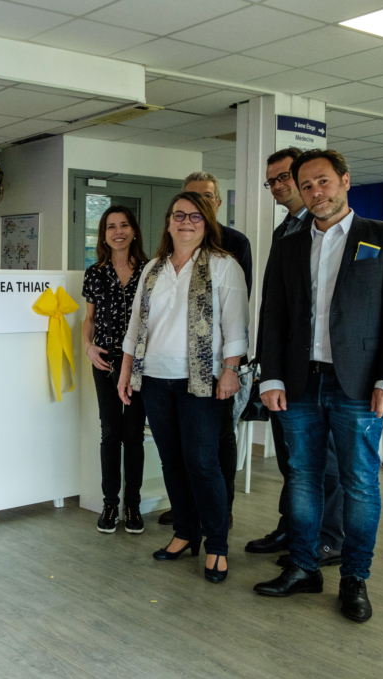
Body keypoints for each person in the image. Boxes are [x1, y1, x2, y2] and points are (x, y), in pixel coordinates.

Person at [254, 149, 383, 623]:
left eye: (322, 181)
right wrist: (270, 375)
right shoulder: (289, 244)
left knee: (359, 483)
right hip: (299, 383)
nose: (315, 192)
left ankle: (354, 577)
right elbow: (273, 315)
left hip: (359, 385)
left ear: (344, 180)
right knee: (302, 477)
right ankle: (304, 567)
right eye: (306, 185)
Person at [117, 192, 249, 583]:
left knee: (203, 463)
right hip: (154, 380)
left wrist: (230, 371)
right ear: (168, 222)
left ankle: (217, 545)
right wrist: (125, 373)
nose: (186, 222)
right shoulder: (153, 268)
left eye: (195, 216)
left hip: (201, 381)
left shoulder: (224, 265)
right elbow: (136, 326)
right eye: (178, 215)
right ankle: (185, 532)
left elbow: (236, 327)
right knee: (172, 461)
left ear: (207, 222)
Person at [247, 148, 344, 568]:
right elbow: (275, 303)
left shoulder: (325, 227)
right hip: (287, 366)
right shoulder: (286, 229)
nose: (279, 185)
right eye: (272, 181)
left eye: (285, 176)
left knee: (325, 461)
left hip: (323, 368)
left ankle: (328, 538)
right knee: (294, 458)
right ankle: (293, 527)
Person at [156, 172, 252, 527]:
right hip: (167, 372)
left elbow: (234, 312)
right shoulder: (163, 260)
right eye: (186, 204)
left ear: (217, 203)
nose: (191, 215)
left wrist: (230, 367)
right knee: (181, 451)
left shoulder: (232, 248)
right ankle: (188, 513)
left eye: (205, 199)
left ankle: (218, 513)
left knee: (213, 447)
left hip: (213, 367)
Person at [82, 206, 148, 535]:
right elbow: (89, 319)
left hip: (139, 363)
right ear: (103, 235)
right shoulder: (95, 273)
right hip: (106, 360)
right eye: (111, 226)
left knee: (133, 435)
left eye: (124, 225)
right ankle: (110, 503)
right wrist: (88, 346)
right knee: (110, 432)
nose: (118, 231)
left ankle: (132, 505)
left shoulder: (151, 270)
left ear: (134, 231)